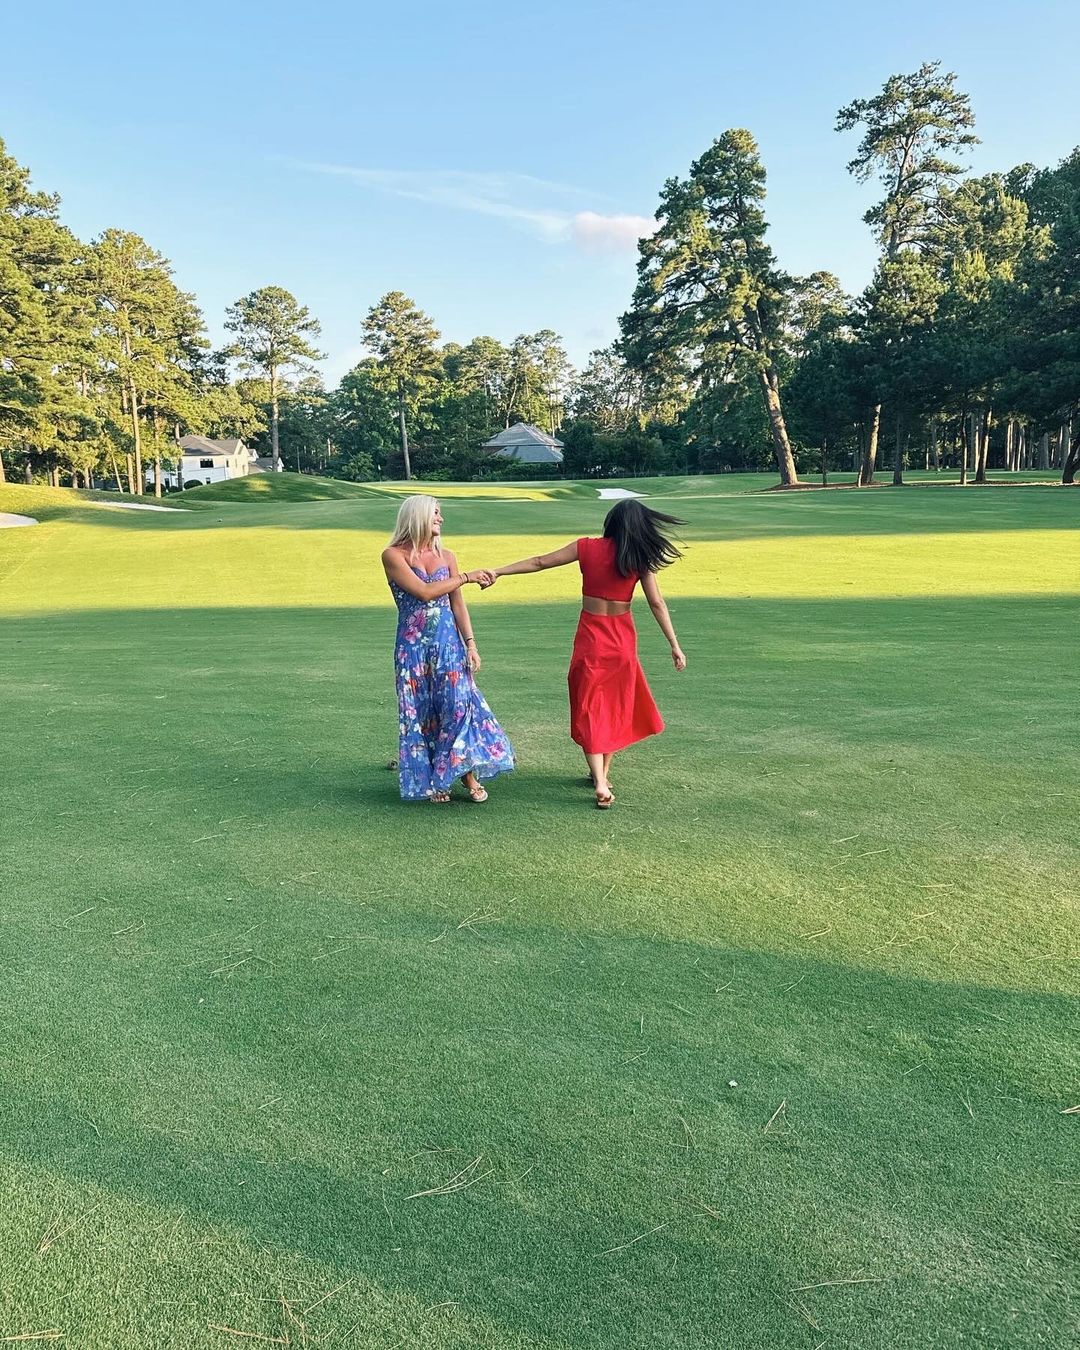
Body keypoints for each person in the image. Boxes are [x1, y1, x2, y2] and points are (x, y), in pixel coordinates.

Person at [479, 500, 686, 809]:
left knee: (590, 705)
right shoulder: (639, 558)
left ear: (611, 522)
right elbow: (657, 603)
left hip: (592, 639)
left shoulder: (587, 547)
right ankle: (601, 775)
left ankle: (600, 781)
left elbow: (539, 562)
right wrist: (674, 644)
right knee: (613, 706)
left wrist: (498, 571)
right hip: (622, 641)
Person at [382, 495, 514, 803]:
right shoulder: (392, 555)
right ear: (418, 516)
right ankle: (436, 781)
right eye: (435, 513)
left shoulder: (448, 556)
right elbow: (424, 592)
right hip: (413, 650)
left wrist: (471, 644)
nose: (440, 519)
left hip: (449, 646)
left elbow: (457, 605)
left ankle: (466, 776)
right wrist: (466, 577)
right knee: (424, 712)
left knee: (457, 707)